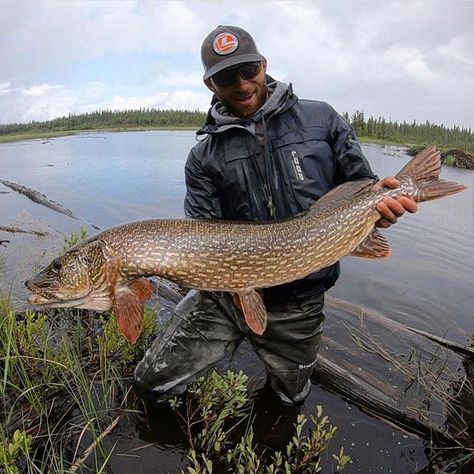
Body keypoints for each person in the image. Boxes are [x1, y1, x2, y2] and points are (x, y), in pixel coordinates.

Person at [133, 25, 417, 405]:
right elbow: (202, 233)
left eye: (248, 69)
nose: (242, 83)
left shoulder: (321, 119)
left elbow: (363, 187)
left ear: (263, 64)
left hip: (300, 299)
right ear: (211, 85)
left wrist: (379, 213)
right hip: (222, 296)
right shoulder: (203, 157)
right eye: (226, 77)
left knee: (288, 398)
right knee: (152, 383)